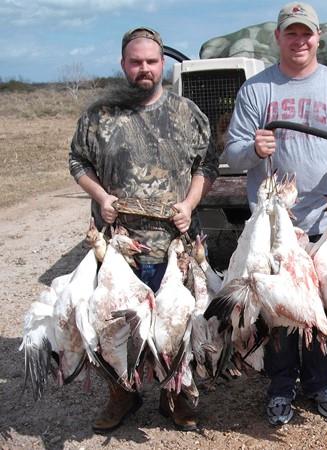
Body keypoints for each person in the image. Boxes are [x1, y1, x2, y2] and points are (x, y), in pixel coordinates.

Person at [68, 26, 219, 432]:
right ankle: (123, 394)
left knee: (177, 325)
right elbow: (78, 163)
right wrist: (101, 198)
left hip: (174, 245)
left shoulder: (188, 114)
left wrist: (189, 204)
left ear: (163, 63)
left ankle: (176, 396)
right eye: (135, 62)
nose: (144, 69)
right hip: (118, 249)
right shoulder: (99, 116)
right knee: (114, 325)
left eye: (151, 61)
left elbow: (207, 166)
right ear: (123, 65)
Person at [223, 2, 327, 426]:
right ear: (278, 38)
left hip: (325, 219)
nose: (299, 40)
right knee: (282, 310)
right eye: (291, 33)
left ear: (318, 38)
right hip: (273, 225)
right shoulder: (257, 90)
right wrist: (254, 149)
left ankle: (320, 383)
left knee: (322, 305)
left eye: (306, 33)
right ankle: (281, 385)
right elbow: (232, 153)